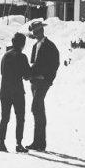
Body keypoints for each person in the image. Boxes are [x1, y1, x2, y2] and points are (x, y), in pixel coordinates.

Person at [26, 18, 60, 152]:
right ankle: (38, 142)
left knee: (36, 108)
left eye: (39, 31)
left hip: (43, 82)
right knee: (38, 110)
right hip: (34, 81)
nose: (37, 33)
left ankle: (40, 142)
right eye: (35, 32)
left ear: (43, 30)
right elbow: (33, 63)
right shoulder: (35, 46)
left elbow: (55, 64)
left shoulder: (50, 46)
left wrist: (46, 78)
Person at [0, 32, 31, 153]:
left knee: (5, 117)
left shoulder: (5, 56)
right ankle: (18, 143)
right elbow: (27, 76)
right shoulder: (22, 57)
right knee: (20, 118)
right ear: (22, 44)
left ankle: (1, 143)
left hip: (5, 91)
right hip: (17, 91)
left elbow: (2, 72)